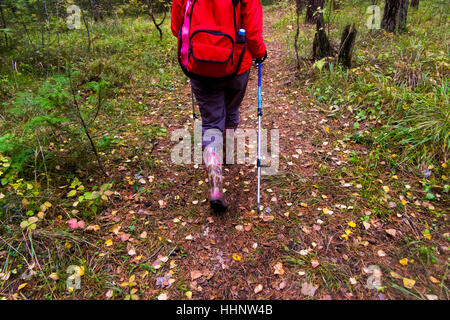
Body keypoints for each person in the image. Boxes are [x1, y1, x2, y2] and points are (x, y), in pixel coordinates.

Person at [171, 0, 267, 213]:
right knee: (231, 110)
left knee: (212, 123)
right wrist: (259, 52)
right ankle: (228, 153)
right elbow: (252, 30)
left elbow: (176, 27)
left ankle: (215, 185)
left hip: (199, 63)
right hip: (237, 64)